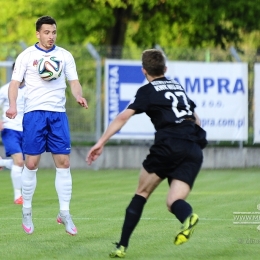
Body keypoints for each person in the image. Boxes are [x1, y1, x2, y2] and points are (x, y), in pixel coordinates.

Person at [87, 49, 207, 258]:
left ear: (144, 71)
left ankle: (121, 246)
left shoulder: (147, 90)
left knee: (141, 193)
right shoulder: (177, 87)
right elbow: (196, 119)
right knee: (173, 202)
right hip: (192, 147)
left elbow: (123, 117)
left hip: (169, 145)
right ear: (165, 69)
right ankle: (188, 217)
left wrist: (101, 142)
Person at [6, 15, 88, 235]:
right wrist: (13, 105)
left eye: (54, 32)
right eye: (46, 32)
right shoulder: (26, 56)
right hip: (34, 115)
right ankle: (27, 210)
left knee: (64, 162)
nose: (51, 37)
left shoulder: (64, 56)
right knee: (31, 164)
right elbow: (14, 85)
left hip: (58, 115)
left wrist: (78, 96)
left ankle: (64, 212)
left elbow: (74, 82)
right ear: (38, 33)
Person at [0, 62, 25, 204]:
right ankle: (18, 196)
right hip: (10, 129)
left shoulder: (32, 90)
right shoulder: (5, 90)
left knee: (26, 164)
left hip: (27, 131)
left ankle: (2, 162)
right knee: (20, 161)